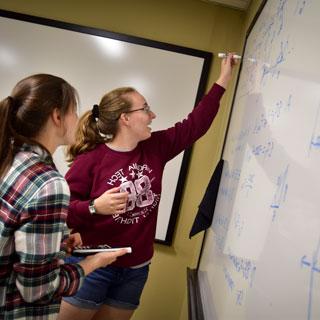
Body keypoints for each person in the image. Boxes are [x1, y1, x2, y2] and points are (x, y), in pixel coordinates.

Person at [58, 54, 236, 320]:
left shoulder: (156, 148)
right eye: (145, 109)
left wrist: (223, 79)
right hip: (92, 265)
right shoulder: (91, 160)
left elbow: (195, 124)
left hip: (135, 269)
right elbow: (63, 213)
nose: (152, 115)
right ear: (125, 118)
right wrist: (96, 207)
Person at [0, 74, 128, 320]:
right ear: (57, 117)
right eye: (74, 110)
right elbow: (37, 290)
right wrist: (94, 262)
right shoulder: (49, 184)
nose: (78, 118)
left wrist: (57, 244)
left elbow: (12, 238)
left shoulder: (10, 158)